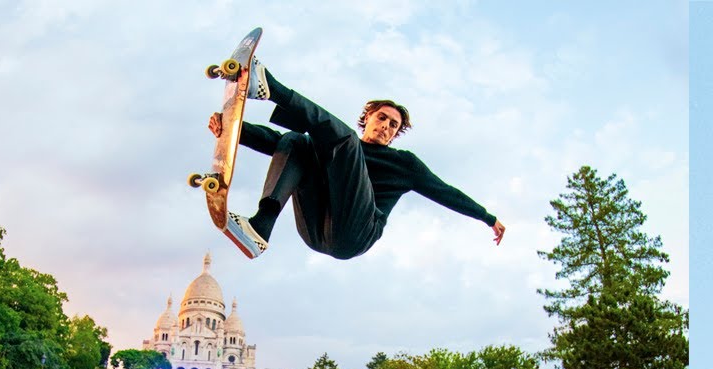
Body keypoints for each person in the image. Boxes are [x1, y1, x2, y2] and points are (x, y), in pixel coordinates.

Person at [206, 61, 506, 260]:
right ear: (368, 119)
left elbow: (445, 191)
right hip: (315, 231)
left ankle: (273, 89)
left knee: (343, 142)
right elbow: (278, 144)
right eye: (382, 118)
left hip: (356, 234)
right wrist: (233, 131)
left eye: (393, 126)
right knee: (298, 141)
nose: (386, 127)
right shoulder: (339, 147)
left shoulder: (404, 164)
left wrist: (487, 217)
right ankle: (260, 227)